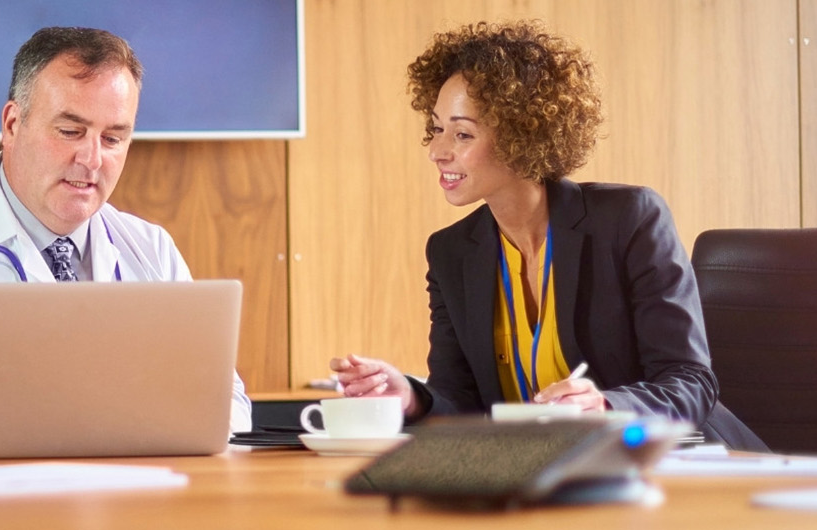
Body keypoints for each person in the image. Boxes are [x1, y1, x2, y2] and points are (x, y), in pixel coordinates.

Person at [327, 20, 766, 450]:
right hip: (551, 473)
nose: (437, 151)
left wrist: (607, 406)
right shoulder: (451, 252)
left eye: (462, 134)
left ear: (524, 135)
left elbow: (691, 382)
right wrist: (410, 396)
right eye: (438, 128)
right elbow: (462, 405)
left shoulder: (629, 219)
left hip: (684, 466)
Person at [0, 27, 253, 452]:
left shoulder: (152, 249)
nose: (91, 159)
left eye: (113, 139)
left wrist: (66, 408)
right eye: (70, 131)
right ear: (13, 124)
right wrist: (108, 406)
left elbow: (227, 406)